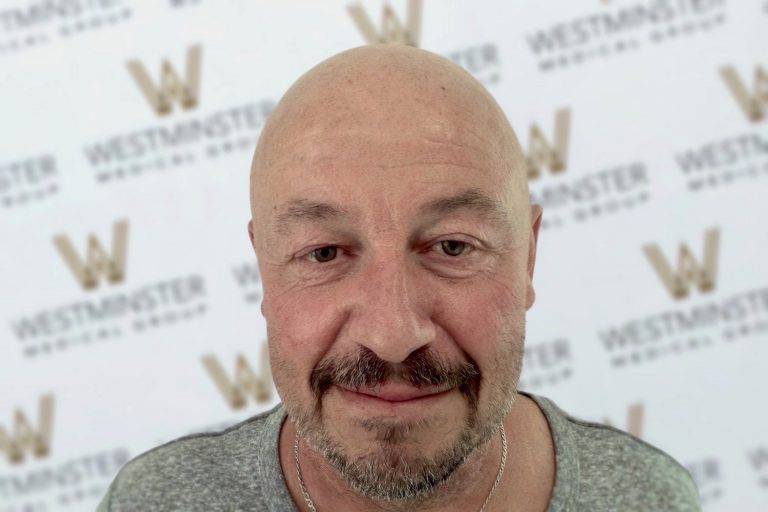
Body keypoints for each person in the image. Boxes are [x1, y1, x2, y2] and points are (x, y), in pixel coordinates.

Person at [97, 44, 701, 511]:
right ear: (265, 269)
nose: (391, 334)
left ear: (527, 261)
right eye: (325, 253)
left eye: (452, 245)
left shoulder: (648, 497)